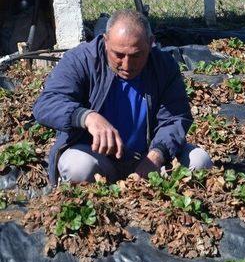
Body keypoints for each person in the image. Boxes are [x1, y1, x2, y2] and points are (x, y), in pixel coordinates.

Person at [33, 9, 212, 185]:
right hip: (96, 156)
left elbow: (175, 118)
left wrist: (157, 155)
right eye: (118, 55)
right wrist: (87, 117)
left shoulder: (163, 66)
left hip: (147, 156)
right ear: (106, 41)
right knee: (78, 167)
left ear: (151, 43)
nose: (127, 64)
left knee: (199, 161)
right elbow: (46, 104)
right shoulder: (80, 60)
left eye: (136, 55)